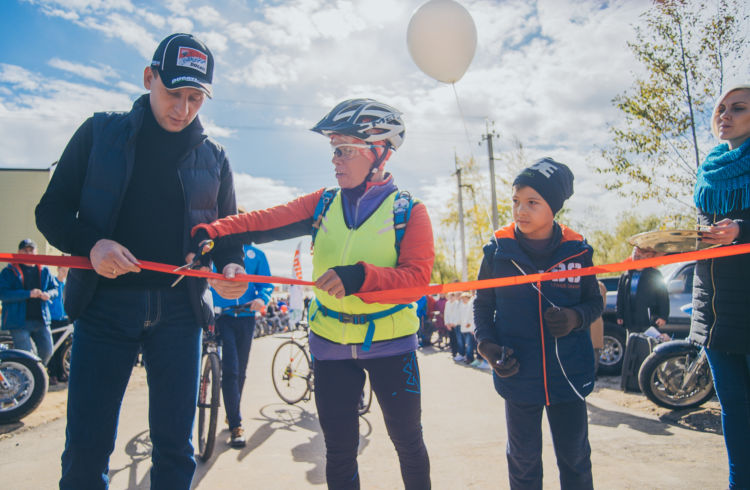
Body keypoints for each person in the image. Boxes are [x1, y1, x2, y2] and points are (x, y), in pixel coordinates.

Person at [34, 33, 246, 489]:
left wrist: (230, 269)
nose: (183, 108)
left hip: (179, 316)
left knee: (175, 450)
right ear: (149, 77)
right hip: (102, 309)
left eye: (195, 98)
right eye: (174, 93)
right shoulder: (98, 133)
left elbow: (229, 240)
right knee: (87, 448)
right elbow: (49, 210)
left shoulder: (215, 158)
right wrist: (91, 246)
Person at [190, 98, 434, 489]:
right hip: (330, 345)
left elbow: (417, 280)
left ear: (380, 153)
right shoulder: (322, 203)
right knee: (338, 451)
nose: (335, 159)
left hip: (391, 345)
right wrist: (213, 231)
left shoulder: (409, 211)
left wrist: (360, 277)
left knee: (408, 442)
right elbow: (262, 220)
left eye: (344, 150)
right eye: (333, 150)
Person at [474, 158, 603, 490]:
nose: (521, 210)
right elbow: (482, 305)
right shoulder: (497, 252)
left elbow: (594, 301)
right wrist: (487, 347)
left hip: (569, 377)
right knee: (523, 460)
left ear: (554, 208)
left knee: (575, 458)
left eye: (533, 202)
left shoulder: (578, 251)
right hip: (518, 376)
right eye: (516, 201)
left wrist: (576, 318)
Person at [689, 83, 750, 490]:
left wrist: (742, 230)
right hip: (715, 314)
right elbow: (702, 239)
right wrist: (658, 249)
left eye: (738, 108)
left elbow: (735, 233)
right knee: (736, 415)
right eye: (720, 108)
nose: (724, 115)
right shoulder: (708, 170)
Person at [212, 243, 273, 448]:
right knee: (230, 369)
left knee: (241, 371)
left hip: (246, 317)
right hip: (223, 316)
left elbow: (266, 283)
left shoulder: (257, 254)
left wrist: (261, 298)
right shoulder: (217, 249)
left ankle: (232, 412)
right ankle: (236, 425)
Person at [0, 239, 57, 366]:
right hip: (19, 323)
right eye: (25, 250)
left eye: (31, 250)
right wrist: (28, 294)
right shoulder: (9, 272)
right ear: (18, 252)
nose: (29, 253)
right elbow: (3, 294)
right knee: (26, 356)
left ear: (36, 252)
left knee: (47, 351)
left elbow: (55, 289)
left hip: (41, 320)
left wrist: (49, 294)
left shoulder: (45, 270)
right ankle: (29, 379)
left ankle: (39, 375)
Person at [616, 247, 669, 337]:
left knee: (648, 343)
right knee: (632, 341)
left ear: (647, 257)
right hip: (630, 318)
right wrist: (619, 315)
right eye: (635, 255)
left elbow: (663, 296)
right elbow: (620, 296)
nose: (637, 258)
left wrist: (663, 316)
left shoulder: (654, 274)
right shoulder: (626, 275)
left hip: (648, 318)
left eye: (640, 255)